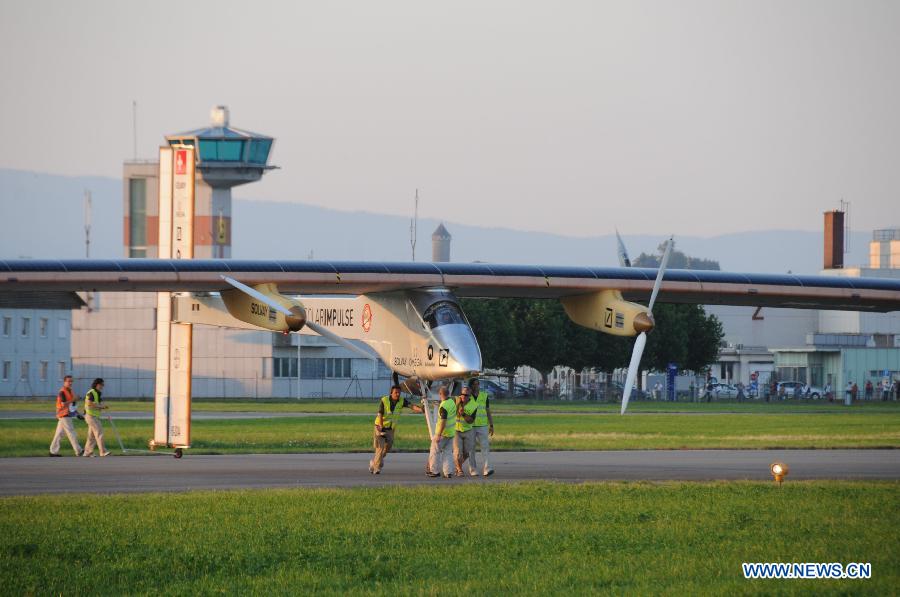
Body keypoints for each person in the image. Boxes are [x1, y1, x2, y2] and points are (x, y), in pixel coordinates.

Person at [369, 385, 423, 474]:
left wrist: (421, 410)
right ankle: (377, 468)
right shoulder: (384, 400)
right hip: (380, 426)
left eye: (399, 392)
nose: (397, 394)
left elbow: (412, 406)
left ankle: (374, 463)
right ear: (391, 393)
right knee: (380, 448)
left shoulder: (401, 401)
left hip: (390, 429)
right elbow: (380, 415)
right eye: (395, 392)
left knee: (387, 448)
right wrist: (381, 427)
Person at [426, 386, 456, 478]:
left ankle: (434, 471)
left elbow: (443, 421)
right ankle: (448, 472)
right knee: (448, 453)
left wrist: (438, 434)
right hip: (451, 433)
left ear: (440, 394)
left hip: (443, 433)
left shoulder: (443, 406)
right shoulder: (452, 402)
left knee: (434, 452)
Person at [49, 375, 82, 457]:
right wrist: (74, 399)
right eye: (68, 381)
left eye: (71, 381)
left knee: (59, 434)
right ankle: (79, 451)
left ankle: (53, 451)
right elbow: (64, 404)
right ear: (64, 382)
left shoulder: (70, 391)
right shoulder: (62, 392)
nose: (70, 383)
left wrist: (77, 413)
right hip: (64, 415)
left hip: (67, 414)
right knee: (71, 432)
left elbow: (72, 405)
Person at [468, 379, 495, 477]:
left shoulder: (484, 395)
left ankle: (487, 468)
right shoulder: (467, 396)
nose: (476, 386)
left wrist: (491, 425)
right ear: (471, 386)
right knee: (471, 449)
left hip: (482, 425)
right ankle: (473, 469)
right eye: (474, 384)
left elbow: (488, 411)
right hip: (470, 426)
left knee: (485, 447)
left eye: (478, 384)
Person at [453, 387, 479, 477]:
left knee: (467, 453)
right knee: (457, 452)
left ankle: (457, 466)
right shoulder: (456, 401)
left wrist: (463, 414)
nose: (463, 396)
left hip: (468, 430)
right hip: (456, 430)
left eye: (466, 395)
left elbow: (471, 420)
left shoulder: (473, 405)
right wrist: (457, 404)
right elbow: (450, 412)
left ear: (469, 396)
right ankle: (460, 470)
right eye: (462, 394)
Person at [83, 378, 110, 457]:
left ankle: (87, 452)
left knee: (91, 436)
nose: (103, 386)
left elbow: (100, 402)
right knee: (99, 432)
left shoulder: (97, 393)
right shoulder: (92, 392)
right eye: (102, 384)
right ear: (97, 384)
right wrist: (101, 406)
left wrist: (103, 406)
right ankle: (102, 451)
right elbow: (89, 403)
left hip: (93, 416)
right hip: (90, 416)